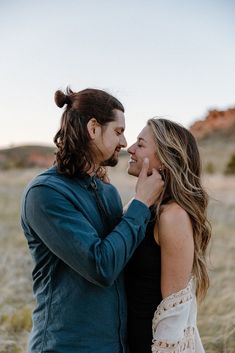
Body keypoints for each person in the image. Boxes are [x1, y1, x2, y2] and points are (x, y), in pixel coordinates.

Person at [20, 87, 164, 353]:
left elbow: (121, 253)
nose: (124, 143)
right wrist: (141, 203)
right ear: (93, 128)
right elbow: (101, 265)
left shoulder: (107, 191)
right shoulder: (45, 194)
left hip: (115, 345)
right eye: (118, 132)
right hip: (66, 346)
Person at [125, 118, 211, 353]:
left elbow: (173, 313)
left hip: (150, 345)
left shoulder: (172, 216)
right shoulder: (143, 204)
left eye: (140, 144)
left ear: (164, 159)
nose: (130, 148)